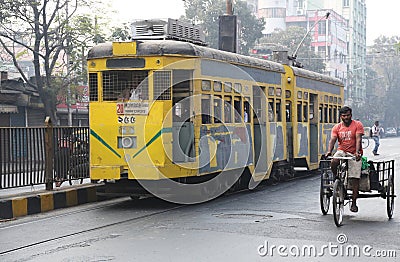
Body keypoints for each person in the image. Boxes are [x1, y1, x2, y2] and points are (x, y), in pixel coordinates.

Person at [325, 106, 364, 213]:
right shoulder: (337, 127)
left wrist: (357, 152)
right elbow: (332, 140)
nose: (346, 118)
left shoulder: (357, 125)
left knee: (355, 178)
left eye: (347, 115)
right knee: (334, 161)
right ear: (340, 116)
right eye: (343, 116)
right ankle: (336, 178)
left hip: (354, 153)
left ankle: (354, 203)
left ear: (351, 115)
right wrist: (329, 151)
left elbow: (358, 139)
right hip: (342, 150)